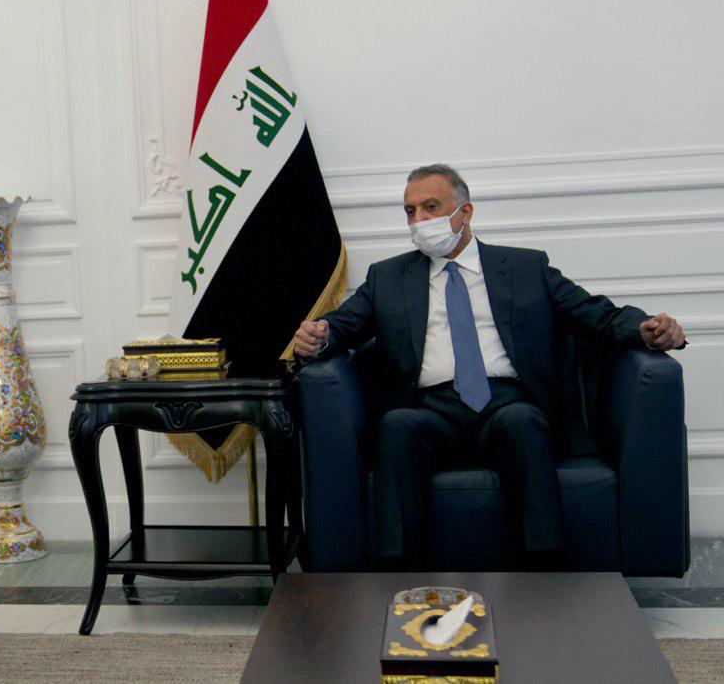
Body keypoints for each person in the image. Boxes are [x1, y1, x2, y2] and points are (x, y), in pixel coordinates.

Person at [290, 164, 687, 568]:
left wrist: (646, 329)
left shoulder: (526, 268)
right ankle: (397, 577)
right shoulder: (388, 277)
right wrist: (319, 337)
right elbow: (342, 325)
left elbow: (596, 315)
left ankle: (545, 574)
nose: (419, 220)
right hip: (431, 410)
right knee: (397, 425)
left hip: (506, 403)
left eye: (431, 207)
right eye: (410, 211)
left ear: (465, 211)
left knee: (522, 422)